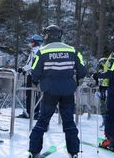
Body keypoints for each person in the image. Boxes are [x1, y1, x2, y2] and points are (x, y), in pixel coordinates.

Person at [28, 25, 86, 158]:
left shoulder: (42, 52)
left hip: (49, 91)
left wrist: (40, 82)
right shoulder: (72, 50)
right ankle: (74, 151)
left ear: (47, 35)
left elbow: (34, 72)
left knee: (43, 120)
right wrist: (75, 82)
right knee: (69, 121)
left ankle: (34, 150)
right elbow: (82, 70)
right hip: (68, 92)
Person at [96, 57, 114, 135]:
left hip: (109, 91)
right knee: (107, 109)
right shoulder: (102, 72)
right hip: (104, 92)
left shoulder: (108, 72)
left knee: (111, 109)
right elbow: (98, 81)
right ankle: (108, 123)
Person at [17, 34, 43, 119]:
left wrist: (23, 69)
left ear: (36, 43)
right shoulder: (37, 50)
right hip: (35, 75)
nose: (30, 43)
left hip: (33, 75)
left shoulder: (36, 51)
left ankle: (32, 112)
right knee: (33, 94)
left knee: (31, 94)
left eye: (32, 42)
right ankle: (32, 111)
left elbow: (31, 64)